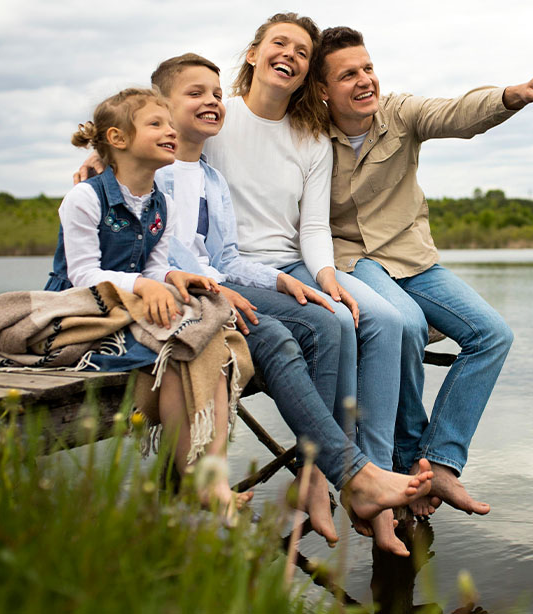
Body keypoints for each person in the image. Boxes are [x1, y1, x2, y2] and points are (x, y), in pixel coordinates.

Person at [143, 51, 433, 549]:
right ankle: (344, 475)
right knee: (290, 334)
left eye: (215, 94)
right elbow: (147, 252)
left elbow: (225, 257)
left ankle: (329, 475)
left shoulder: (211, 178)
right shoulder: (152, 170)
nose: (211, 101)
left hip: (221, 286)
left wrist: (282, 281)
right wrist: (210, 284)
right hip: (174, 296)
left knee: (327, 318)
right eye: (196, 94)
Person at [314, 26, 533, 518]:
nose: (365, 80)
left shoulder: (399, 113)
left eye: (368, 68)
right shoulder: (309, 135)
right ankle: (404, 462)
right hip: (353, 260)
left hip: (411, 258)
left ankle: (438, 460)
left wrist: (512, 95)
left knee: (492, 334)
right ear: (323, 89)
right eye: (348, 74)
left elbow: (458, 113)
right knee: (406, 324)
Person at [198, 13, 412, 555]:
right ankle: (325, 476)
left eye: (301, 52)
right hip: (230, 269)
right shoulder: (218, 119)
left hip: (293, 264)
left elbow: (313, 227)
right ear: (253, 53)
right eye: (280, 44)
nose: (289, 55)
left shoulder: (311, 138)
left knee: (377, 318)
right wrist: (100, 157)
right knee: (331, 321)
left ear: (307, 72)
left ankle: (369, 473)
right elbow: (154, 135)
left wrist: (326, 277)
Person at [46, 87, 251, 517]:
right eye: (156, 124)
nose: (170, 131)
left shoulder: (163, 204)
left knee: (207, 342)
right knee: (175, 350)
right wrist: (143, 284)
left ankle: (211, 476)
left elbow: (156, 267)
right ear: (118, 139)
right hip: (82, 307)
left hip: (133, 307)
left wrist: (173, 277)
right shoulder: (86, 198)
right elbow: (82, 274)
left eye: (170, 124)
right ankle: (194, 478)